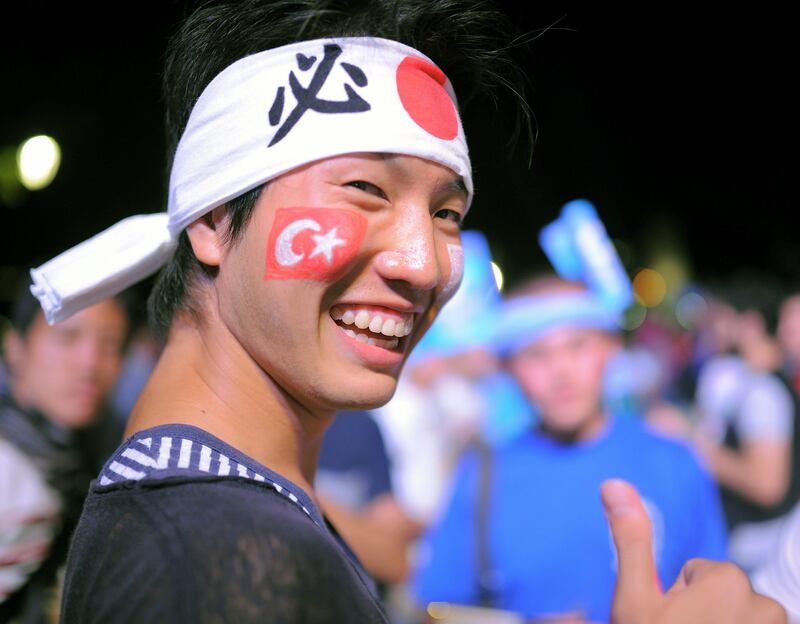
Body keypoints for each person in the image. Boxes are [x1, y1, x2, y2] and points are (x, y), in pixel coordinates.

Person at [27, 2, 785, 623]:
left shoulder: (207, 513)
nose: (424, 265)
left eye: (448, 213)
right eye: (366, 190)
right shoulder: (230, 567)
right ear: (215, 216)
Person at [413, 276, 730, 623]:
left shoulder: (675, 460)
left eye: (577, 346)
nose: (560, 371)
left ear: (610, 349)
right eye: (536, 354)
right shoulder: (481, 472)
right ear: (510, 369)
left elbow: (716, 596)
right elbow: (436, 610)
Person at [0, 287, 128, 622]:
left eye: (111, 343)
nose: (90, 364)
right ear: (15, 348)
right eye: (68, 337)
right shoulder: (9, 472)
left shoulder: (72, 462)